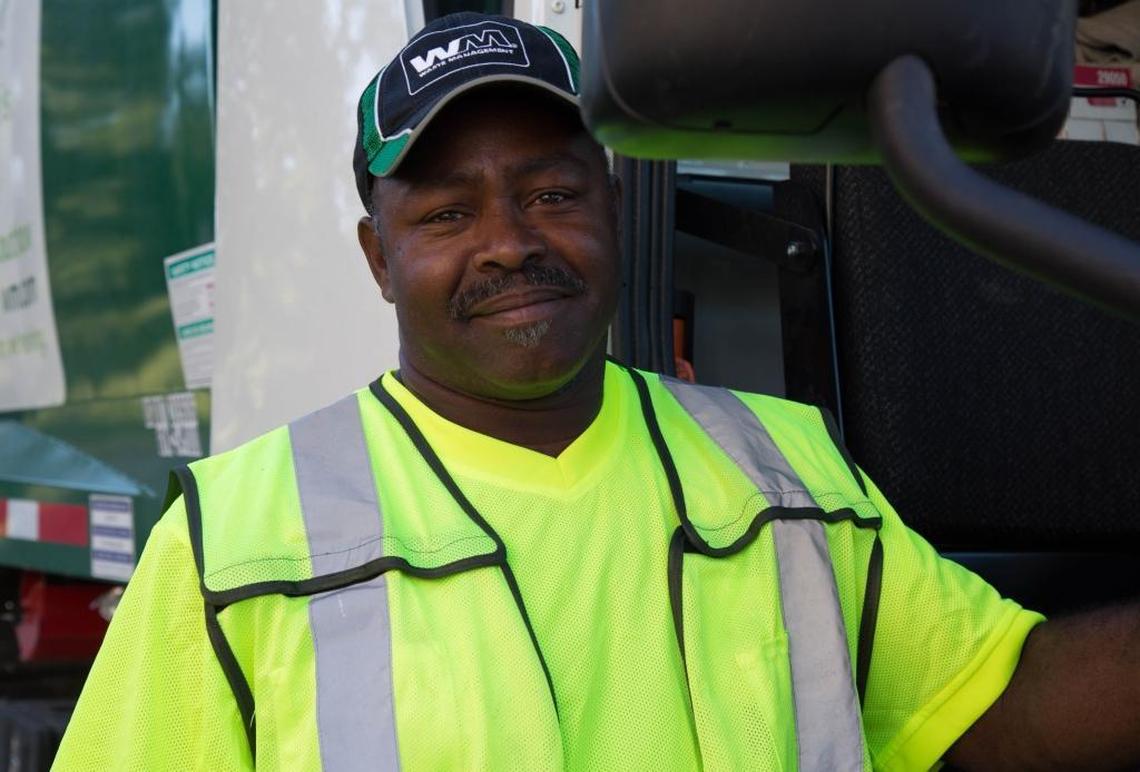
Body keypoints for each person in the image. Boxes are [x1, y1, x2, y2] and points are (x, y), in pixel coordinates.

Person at [54, 12, 1139, 772]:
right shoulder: (229, 547)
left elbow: (1002, 706)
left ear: (613, 209)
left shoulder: (787, 475)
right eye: (445, 215)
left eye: (551, 191)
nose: (509, 244)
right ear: (379, 257)